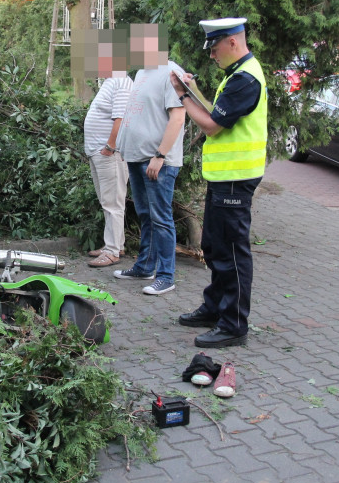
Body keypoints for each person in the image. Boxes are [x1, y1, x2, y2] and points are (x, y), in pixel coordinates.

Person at [170, 17, 266, 349]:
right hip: (224, 179)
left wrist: (182, 97)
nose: (212, 54)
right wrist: (194, 90)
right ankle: (215, 308)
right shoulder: (236, 76)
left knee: (232, 254)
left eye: (214, 47)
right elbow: (217, 112)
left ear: (233, 43)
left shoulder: (245, 80)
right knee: (213, 246)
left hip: (236, 181)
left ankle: (233, 325)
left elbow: (211, 125)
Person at [113, 23, 186, 296]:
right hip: (137, 158)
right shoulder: (143, 71)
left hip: (157, 162)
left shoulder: (172, 73)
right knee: (146, 215)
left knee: (161, 218)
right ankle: (145, 266)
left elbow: (178, 117)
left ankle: (166, 276)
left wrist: (160, 156)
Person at [81, 29, 133, 268]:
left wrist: (110, 147)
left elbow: (120, 119)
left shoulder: (121, 81)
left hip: (109, 154)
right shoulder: (112, 81)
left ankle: (112, 251)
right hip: (100, 152)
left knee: (113, 202)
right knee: (108, 202)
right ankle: (115, 244)